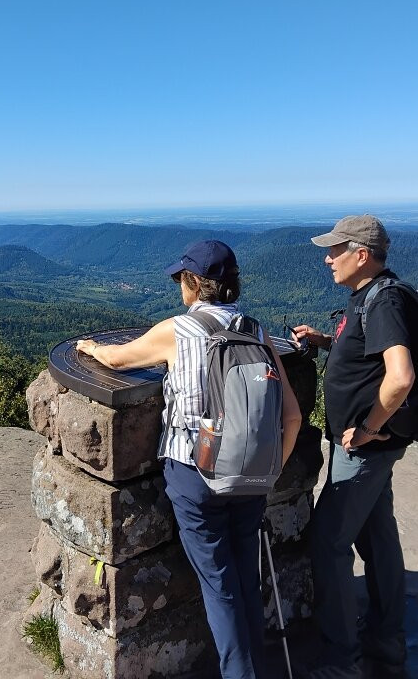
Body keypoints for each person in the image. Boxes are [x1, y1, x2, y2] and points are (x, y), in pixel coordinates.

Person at [76, 239, 302, 679]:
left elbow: (117, 359)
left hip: (194, 473)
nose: (180, 283)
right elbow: (291, 416)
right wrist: (267, 473)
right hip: (251, 473)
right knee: (246, 578)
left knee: (220, 587)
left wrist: (89, 348)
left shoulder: (177, 330)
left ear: (195, 284)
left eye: (183, 277)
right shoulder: (255, 331)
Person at [293, 215, 418, 679]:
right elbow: (368, 355)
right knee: (377, 536)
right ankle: (386, 640)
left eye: (335, 250)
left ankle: (340, 659)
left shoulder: (382, 299)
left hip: (366, 449)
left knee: (328, 542)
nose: (328, 258)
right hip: (373, 449)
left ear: (361, 254)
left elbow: (400, 376)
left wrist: (368, 428)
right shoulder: (369, 297)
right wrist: (327, 341)